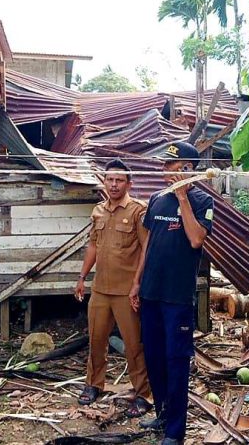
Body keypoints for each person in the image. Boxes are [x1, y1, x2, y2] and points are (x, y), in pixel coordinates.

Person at [130, 142, 214, 445]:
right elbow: (148, 244)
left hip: (177, 297)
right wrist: (138, 282)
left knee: (176, 360)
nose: (164, 170)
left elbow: (195, 240)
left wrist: (182, 197)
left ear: (187, 169)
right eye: (165, 165)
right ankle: (163, 414)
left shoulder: (203, 201)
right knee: (154, 358)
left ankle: (175, 432)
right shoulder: (156, 200)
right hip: (151, 292)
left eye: (170, 166)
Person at [74, 159, 152, 418]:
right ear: (104, 182)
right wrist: (82, 277)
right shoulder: (98, 211)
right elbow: (93, 247)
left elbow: (145, 250)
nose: (114, 184)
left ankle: (143, 394)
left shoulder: (138, 211)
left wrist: (138, 284)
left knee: (133, 344)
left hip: (126, 291)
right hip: (100, 289)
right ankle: (94, 385)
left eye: (119, 180)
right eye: (110, 179)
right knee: (96, 340)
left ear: (129, 183)